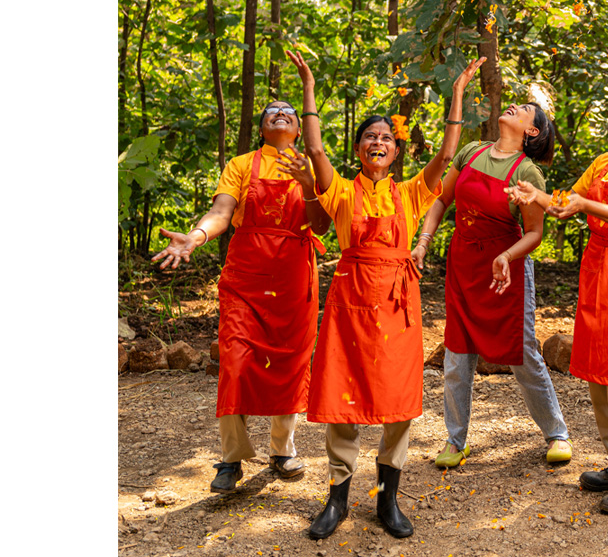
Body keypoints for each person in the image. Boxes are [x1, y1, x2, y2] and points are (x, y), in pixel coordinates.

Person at [284, 51, 486, 540]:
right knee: (341, 397)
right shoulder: (340, 191)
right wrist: (309, 88)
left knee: (397, 400)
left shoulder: (414, 192)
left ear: (396, 151)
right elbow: (313, 152)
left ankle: (388, 499)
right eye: (370, 137)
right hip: (351, 302)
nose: (378, 142)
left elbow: (445, 155)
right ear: (359, 150)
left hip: (397, 304)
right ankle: (337, 500)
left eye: (386, 139)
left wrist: (456, 97)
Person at [152, 96, 332, 494]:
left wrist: (307, 185)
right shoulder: (240, 164)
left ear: (300, 129)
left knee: (290, 362)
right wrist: (195, 237)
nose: (281, 113)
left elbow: (320, 225)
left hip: (293, 278)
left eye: (288, 111)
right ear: (262, 127)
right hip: (246, 277)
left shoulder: (311, 164)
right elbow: (221, 210)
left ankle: (282, 450)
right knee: (234, 361)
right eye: (272, 111)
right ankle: (231, 458)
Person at [506, 97, 608, 515]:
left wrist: (584, 206)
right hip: (600, 267)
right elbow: (565, 204)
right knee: (600, 371)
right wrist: (536, 195)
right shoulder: (604, 161)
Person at [411, 101, 573, 470]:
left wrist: (508, 257)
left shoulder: (528, 172)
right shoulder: (471, 151)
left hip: (506, 269)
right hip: (464, 262)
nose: (515, 105)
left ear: (532, 131)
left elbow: (534, 233)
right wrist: (423, 241)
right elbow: (441, 200)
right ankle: (456, 439)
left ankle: (556, 433)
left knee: (522, 352)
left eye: (525, 109)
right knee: (457, 352)